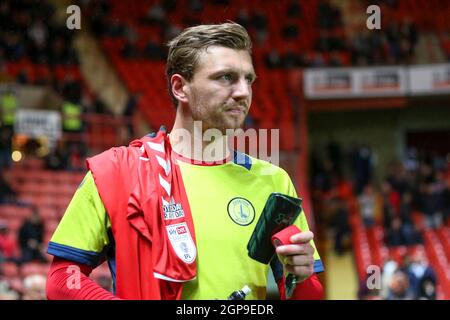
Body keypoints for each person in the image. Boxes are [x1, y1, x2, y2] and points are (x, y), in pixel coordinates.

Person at [46, 22, 324, 300]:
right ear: (180, 88)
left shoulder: (274, 182)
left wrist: (301, 276)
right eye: (226, 77)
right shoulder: (117, 172)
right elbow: (62, 280)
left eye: (248, 79)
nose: (243, 92)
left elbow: (308, 294)